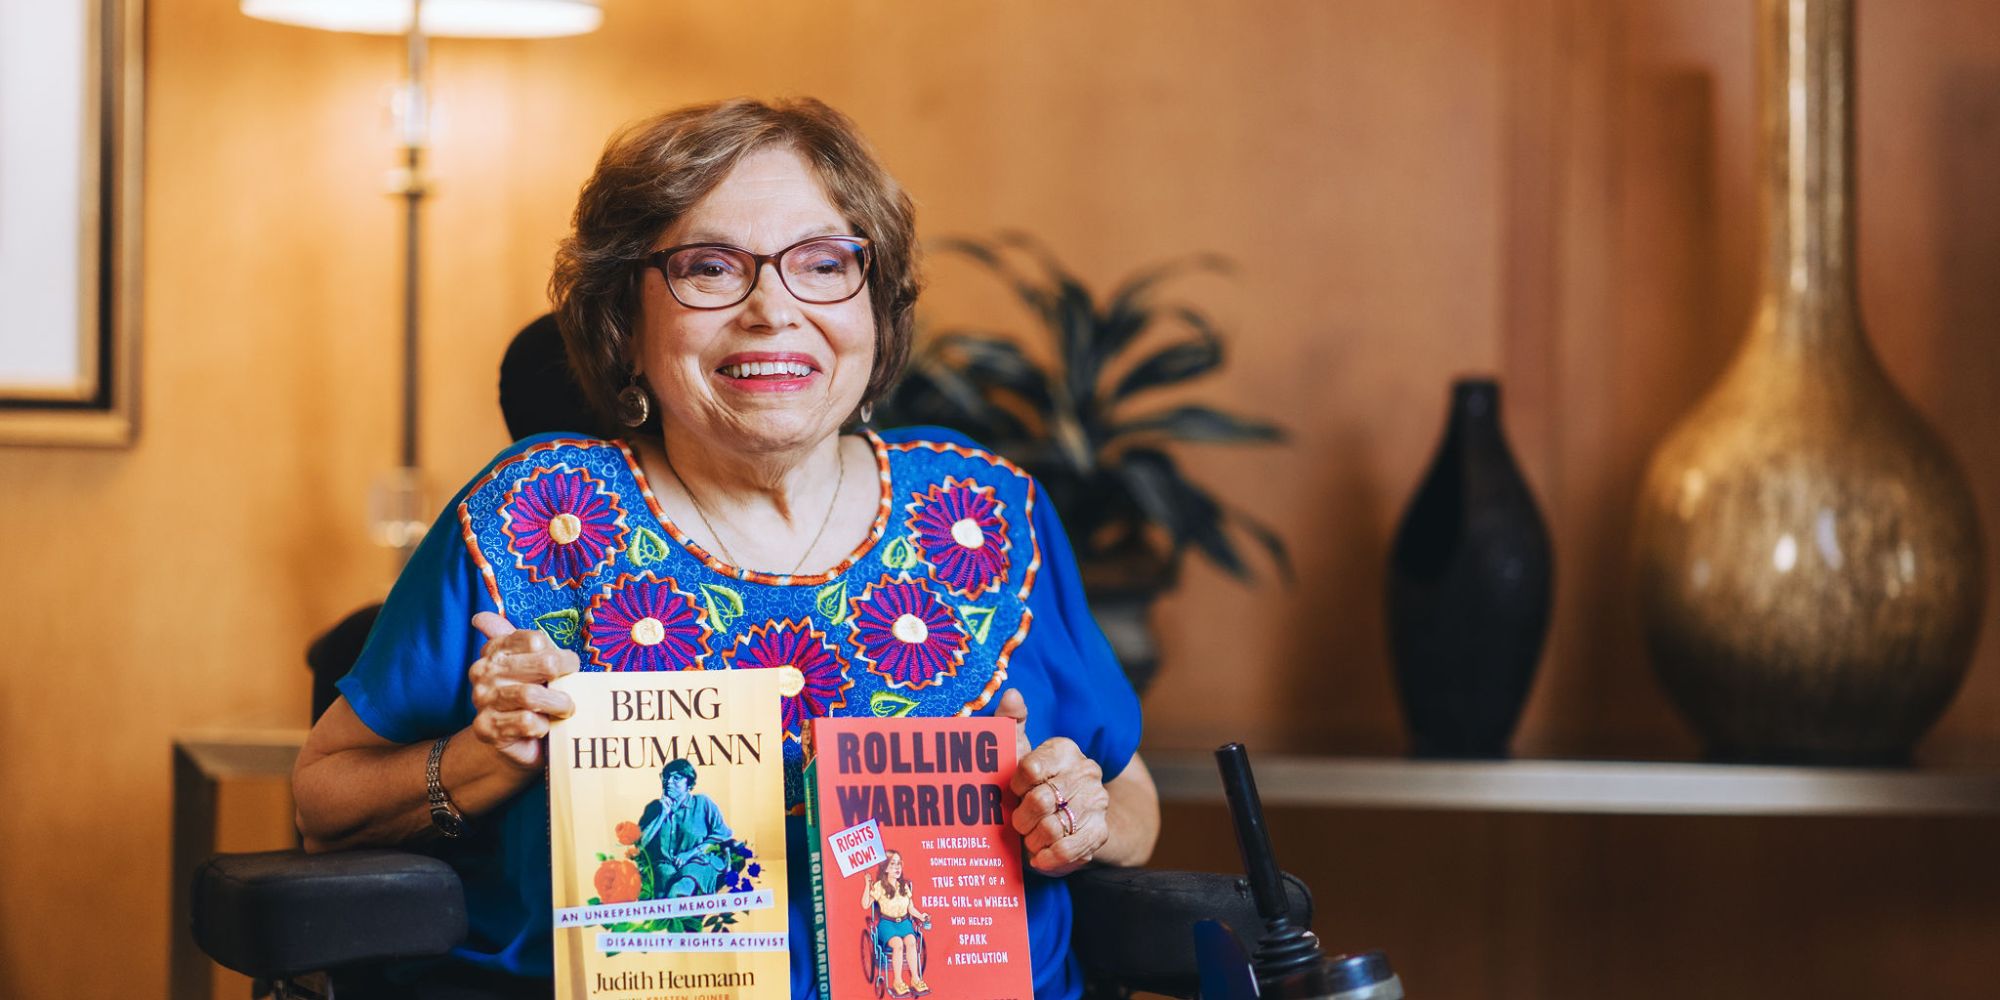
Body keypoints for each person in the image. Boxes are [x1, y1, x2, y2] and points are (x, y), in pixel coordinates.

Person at [292, 97, 1160, 1000]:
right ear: (625, 320)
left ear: (877, 309)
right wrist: (493, 753)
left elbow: (1134, 800)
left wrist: (1079, 816)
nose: (771, 310)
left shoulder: (987, 509)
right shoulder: (538, 511)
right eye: (710, 269)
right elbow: (324, 800)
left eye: (824, 264)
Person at [636, 759, 732, 901]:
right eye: (667, 777)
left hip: (697, 862)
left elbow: (723, 833)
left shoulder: (703, 803)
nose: (669, 782)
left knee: (678, 890)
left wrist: (690, 854)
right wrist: (662, 814)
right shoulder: (655, 808)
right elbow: (640, 845)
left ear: (689, 783)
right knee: (661, 898)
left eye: (676, 778)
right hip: (665, 866)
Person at [863, 849, 930, 997]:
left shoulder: (903, 886)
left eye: (899, 863)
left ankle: (915, 979)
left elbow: (910, 907)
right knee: (898, 944)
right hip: (887, 923)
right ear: (885, 868)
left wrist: (921, 915)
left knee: (912, 941)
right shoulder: (880, 886)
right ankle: (898, 981)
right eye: (893, 864)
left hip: (904, 922)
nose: (897, 867)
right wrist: (868, 885)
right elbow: (865, 904)